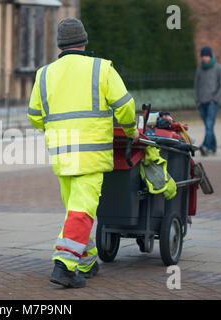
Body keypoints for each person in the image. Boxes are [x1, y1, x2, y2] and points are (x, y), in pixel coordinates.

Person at [27, 18, 139, 288]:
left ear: (60, 45)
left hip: (62, 155)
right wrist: (130, 128)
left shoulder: (44, 74)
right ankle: (64, 266)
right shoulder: (101, 68)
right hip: (90, 154)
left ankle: (87, 262)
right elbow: (125, 105)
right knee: (82, 211)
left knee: (75, 210)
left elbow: (34, 116)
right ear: (84, 41)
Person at [194, 46, 221, 156]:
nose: (205, 58)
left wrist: (215, 98)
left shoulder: (219, 68)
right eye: (203, 56)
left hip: (212, 102)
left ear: (211, 56)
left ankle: (205, 146)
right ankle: (213, 148)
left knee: (209, 124)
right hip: (201, 103)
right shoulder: (199, 69)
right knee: (209, 126)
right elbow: (196, 86)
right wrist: (197, 100)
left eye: (207, 56)